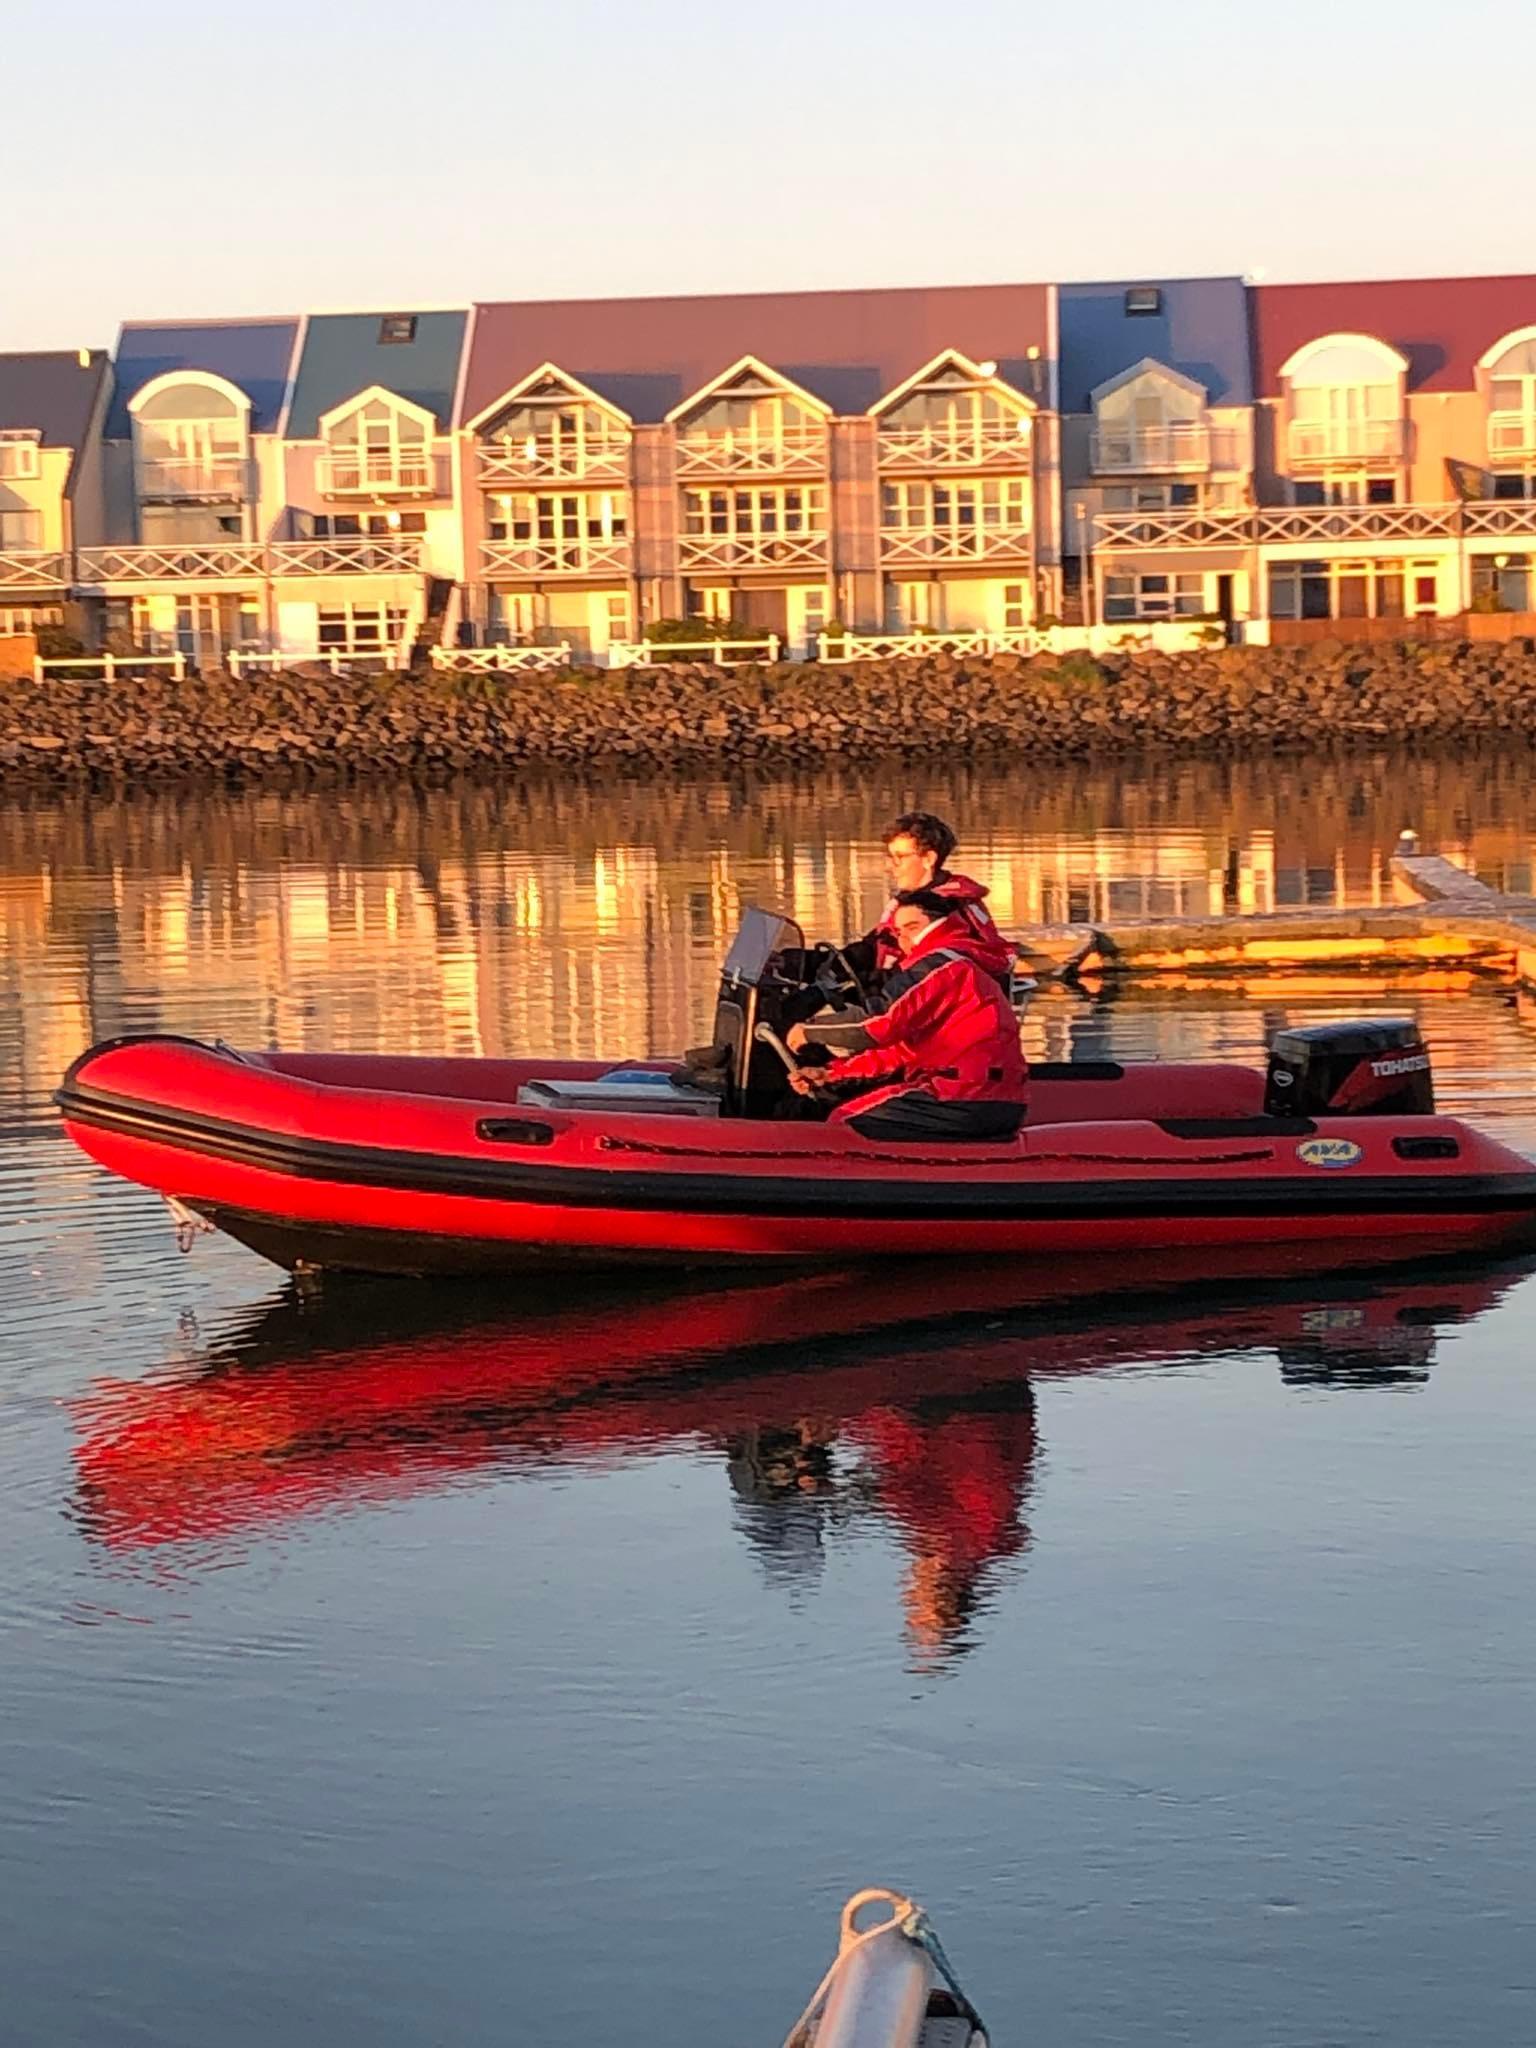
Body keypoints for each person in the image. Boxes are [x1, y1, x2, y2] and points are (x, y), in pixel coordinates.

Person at [789, 890, 1028, 1140]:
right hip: (991, 1098)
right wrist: (831, 1074)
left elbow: (879, 1022)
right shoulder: (961, 965)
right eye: (897, 932)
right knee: (853, 1110)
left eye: (908, 929)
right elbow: (900, 1050)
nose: (901, 940)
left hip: (963, 1096)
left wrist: (809, 1030)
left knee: (843, 1124)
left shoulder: (940, 965)